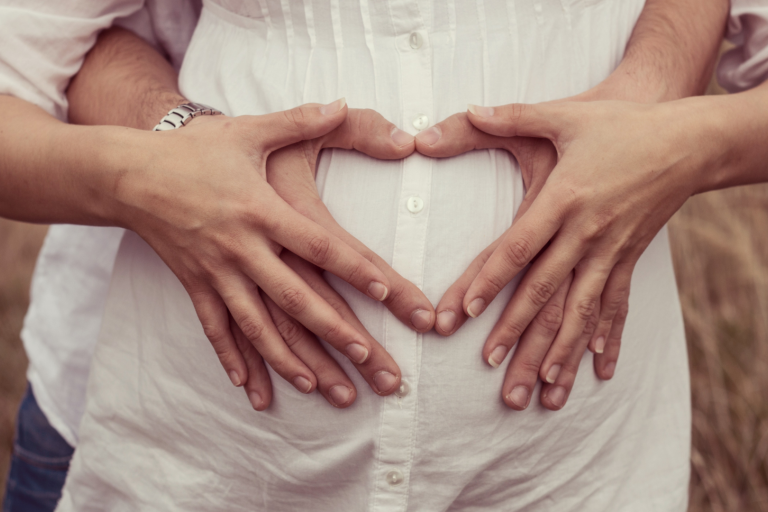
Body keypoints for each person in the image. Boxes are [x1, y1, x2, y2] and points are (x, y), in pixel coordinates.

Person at [35, 0, 728, 510]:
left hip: (566, 470)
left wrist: (670, 132)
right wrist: (174, 145)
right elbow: (50, 48)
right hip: (199, 460)